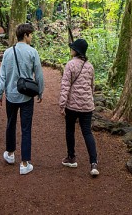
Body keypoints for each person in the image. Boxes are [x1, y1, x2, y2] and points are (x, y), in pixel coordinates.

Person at [0, 23, 44, 175]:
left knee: (10, 124)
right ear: (25, 35)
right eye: (31, 34)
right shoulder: (32, 52)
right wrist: (40, 92)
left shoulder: (8, 52)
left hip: (10, 95)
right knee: (26, 128)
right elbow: (39, 74)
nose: (32, 37)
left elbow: (2, 75)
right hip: (26, 96)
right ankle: (24, 163)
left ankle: (10, 154)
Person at [58, 38, 98, 177]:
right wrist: (89, 99)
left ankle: (71, 158)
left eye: (72, 48)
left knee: (70, 129)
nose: (71, 49)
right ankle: (93, 164)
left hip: (72, 105)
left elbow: (65, 86)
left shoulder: (70, 65)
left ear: (76, 51)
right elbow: (92, 86)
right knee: (87, 132)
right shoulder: (90, 66)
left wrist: (62, 105)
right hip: (87, 105)